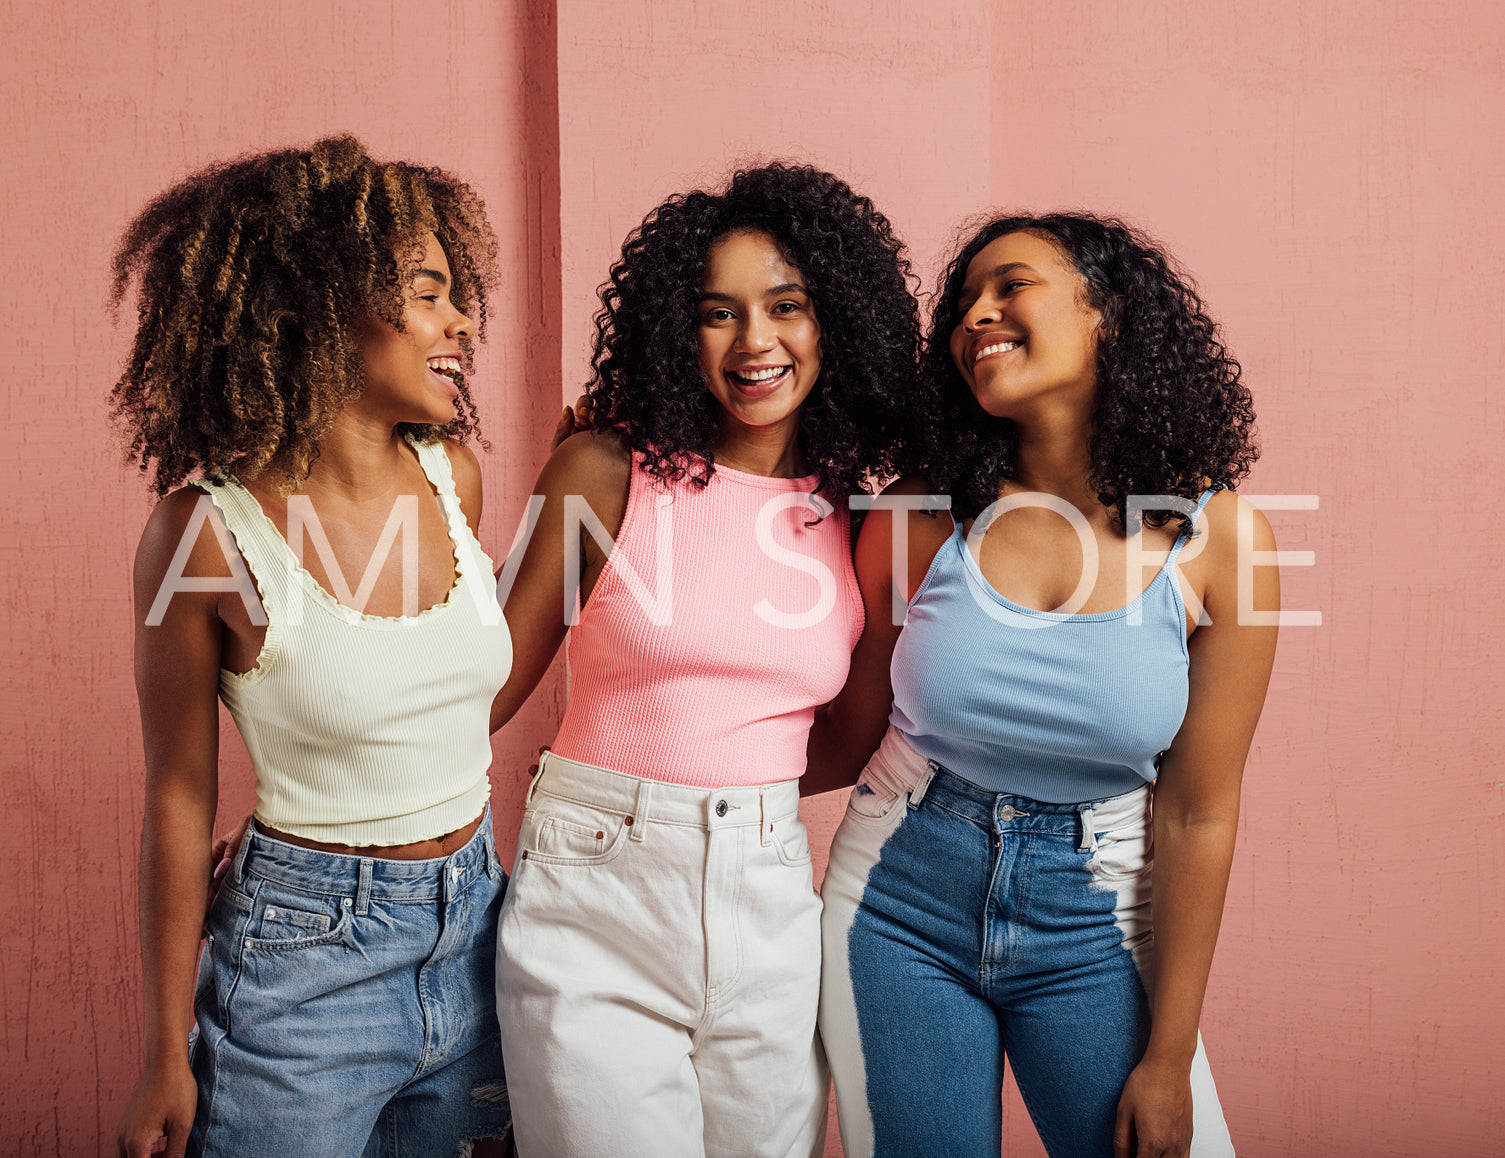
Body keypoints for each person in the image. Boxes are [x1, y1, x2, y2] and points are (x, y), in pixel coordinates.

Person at [811, 212, 1278, 1158]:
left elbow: (1198, 811)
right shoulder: (916, 516)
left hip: (1098, 910)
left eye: (1008, 286)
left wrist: (1168, 1054)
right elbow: (848, 724)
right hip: (896, 896)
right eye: (963, 303)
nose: (974, 315)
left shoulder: (1219, 541)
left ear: (1106, 314)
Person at [488, 163, 921, 1158]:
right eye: (717, 312)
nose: (753, 342)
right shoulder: (602, 471)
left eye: (786, 307)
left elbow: (850, 733)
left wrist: (730, 798)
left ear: (836, 323)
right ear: (674, 332)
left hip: (769, 898)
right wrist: (334, 824)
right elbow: (479, 688)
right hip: (597, 893)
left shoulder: (853, 514)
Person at [112, 135, 516, 1158]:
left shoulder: (452, 479)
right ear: (323, 307)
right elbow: (176, 793)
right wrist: (166, 1048)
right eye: (430, 293)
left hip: (477, 929)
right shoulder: (204, 535)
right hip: (303, 967)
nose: (462, 322)